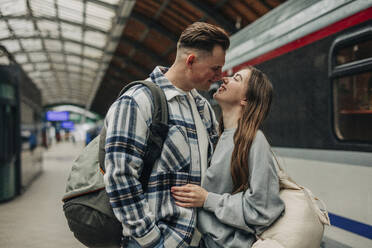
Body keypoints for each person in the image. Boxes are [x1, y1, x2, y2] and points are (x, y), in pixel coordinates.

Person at [104, 22, 230, 248]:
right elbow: (120, 176)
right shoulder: (137, 101)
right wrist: (150, 239)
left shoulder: (203, 108)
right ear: (191, 61)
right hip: (158, 241)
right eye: (215, 69)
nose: (220, 76)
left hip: (200, 240)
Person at [171, 66, 285, 248]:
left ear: (245, 99)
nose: (225, 79)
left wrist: (207, 199)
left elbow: (263, 209)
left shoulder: (254, 141)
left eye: (236, 78)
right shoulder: (214, 137)